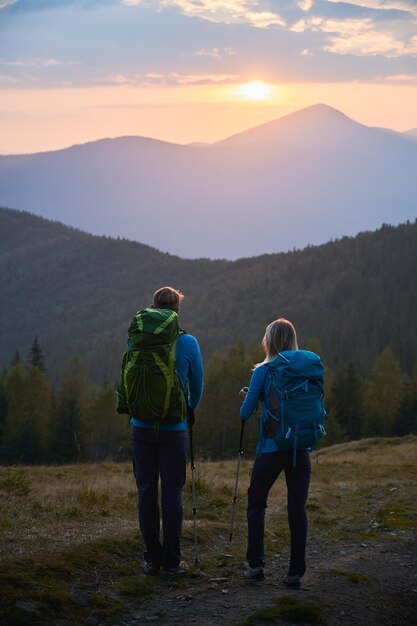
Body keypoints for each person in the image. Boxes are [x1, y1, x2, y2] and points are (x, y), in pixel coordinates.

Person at [119, 286, 204, 578]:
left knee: (145, 491)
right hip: (173, 428)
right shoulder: (188, 342)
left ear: (152, 308)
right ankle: (171, 561)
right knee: (171, 492)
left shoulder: (136, 339)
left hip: (140, 427)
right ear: (177, 312)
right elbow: (198, 385)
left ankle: (150, 560)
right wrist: (188, 408)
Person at [239, 318, 313, 588]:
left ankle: (256, 566)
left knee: (256, 503)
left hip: (271, 449)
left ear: (269, 341)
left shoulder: (263, 370)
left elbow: (245, 413)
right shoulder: (306, 370)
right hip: (300, 448)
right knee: (297, 509)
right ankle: (295, 573)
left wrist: (252, 397)